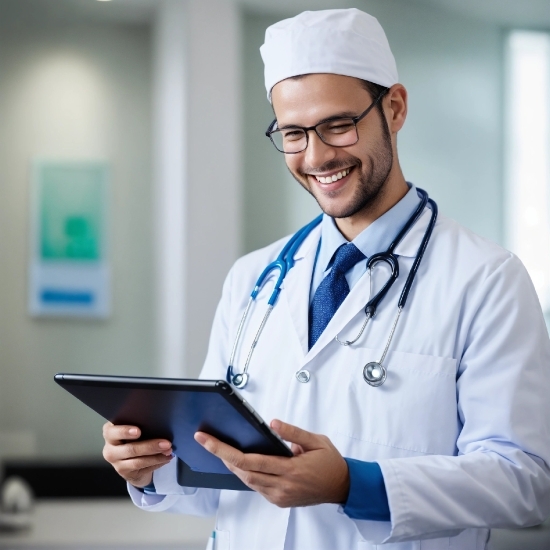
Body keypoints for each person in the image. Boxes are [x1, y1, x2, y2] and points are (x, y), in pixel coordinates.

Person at [102, 8, 550, 549]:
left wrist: (351, 483)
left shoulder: (487, 281)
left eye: (338, 124)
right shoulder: (253, 278)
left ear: (395, 108)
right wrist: (151, 466)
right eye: (293, 133)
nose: (316, 156)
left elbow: (524, 480)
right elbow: (220, 474)